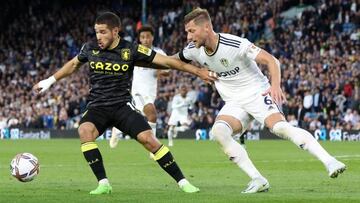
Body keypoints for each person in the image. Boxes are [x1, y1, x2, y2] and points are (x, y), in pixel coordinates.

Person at [33, 11, 217, 195]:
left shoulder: (132, 50)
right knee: (84, 131)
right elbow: (73, 65)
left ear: (115, 31)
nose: (99, 36)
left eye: (103, 32)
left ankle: (183, 182)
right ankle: (103, 183)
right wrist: (49, 81)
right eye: (97, 32)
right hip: (97, 107)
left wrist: (197, 71)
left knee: (149, 140)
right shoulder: (89, 48)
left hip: (122, 106)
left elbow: (167, 61)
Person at [177, 8, 346, 193]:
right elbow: (170, 61)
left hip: (257, 93)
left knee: (281, 128)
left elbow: (272, 61)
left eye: (191, 31)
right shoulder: (194, 50)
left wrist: (275, 86)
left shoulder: (234, 44)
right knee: (219, 132)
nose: (188, 37)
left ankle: (330, 161)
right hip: (234, 102)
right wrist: (147, 58)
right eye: (187, 32)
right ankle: (258, 179)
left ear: (207, 27)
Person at [109, 25, 168, 150]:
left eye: (148, 37)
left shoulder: (159, 53)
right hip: (138, 91)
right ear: (140, 39)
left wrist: (161, 71)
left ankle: (117, 129)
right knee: (152, 114)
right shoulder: (134, 52)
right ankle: (154, 148)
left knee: (137, 115)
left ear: (152, 37)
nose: (145, 40)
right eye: (143, 37)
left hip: (151, 92)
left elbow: (168, 70)